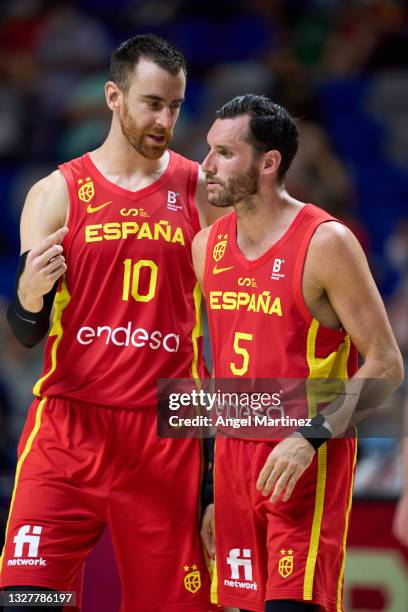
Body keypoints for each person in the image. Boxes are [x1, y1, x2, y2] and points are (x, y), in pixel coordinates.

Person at [0, 34, 226, 612]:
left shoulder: (202, 190)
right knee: (30, 600)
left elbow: (239, 318)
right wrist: (27, 293)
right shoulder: (55, 192)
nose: (165, 119)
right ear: (113, 97)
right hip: (69, 425)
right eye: (152, 103)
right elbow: (28, 327)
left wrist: (218, 474)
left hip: (166, 429)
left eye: (175, 106)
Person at [192, 94, 404, 612]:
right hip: (236, 464)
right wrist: (211, 489)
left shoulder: (326, 241)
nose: (207, 166)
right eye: (208, 151)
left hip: (305, 458)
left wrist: (309, 437)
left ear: (269, 163)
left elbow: (386, 365)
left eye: (224, 153)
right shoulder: (207, 247)